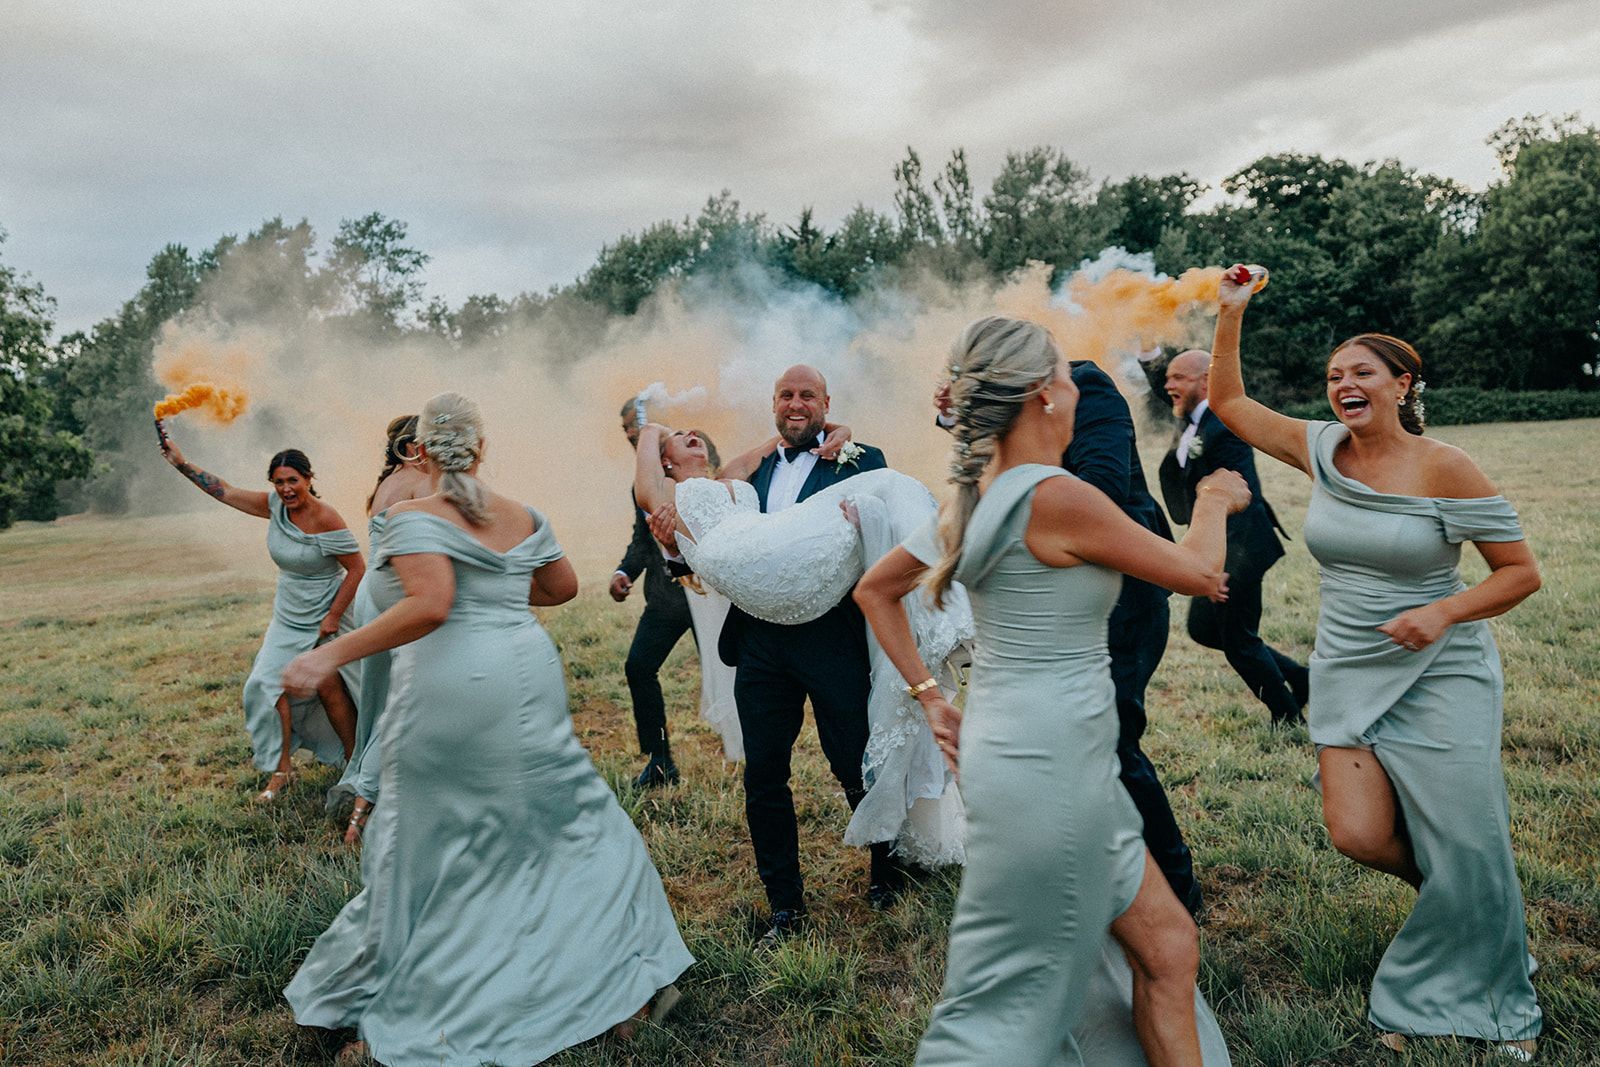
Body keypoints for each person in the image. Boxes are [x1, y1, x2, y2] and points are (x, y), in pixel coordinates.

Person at [859, 317, 1239, 1065]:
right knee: (1003, 1009)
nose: (1078, 386)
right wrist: (1219, 498)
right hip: (1051, 771)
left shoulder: (976, 500)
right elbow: (1202, 575)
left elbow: (876, 591)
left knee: (1168, 947)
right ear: (1043, 395)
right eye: (1067, 375)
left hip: (1037, 755)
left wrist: (933, 695)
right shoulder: (1057, 497)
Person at [280, 392, 692, 1066]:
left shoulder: (407, 516)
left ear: (421, 451)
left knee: (438, 836)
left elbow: (431, 604)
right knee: (569, 817)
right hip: (525, 673)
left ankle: (423, 1001)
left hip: (451, 686)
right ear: (481, 447)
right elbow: (559, 587)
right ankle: (618, 980)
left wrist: (328, 653)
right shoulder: (522, 514)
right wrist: (498, 585)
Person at [1206, 270, 1542, 1058]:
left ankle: (1492, 993)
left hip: (1442, 664)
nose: (1343, 385)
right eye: (1333, 376)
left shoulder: (1446, 467)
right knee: (1357, 832)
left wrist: (1442, 610)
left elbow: (1520, 572)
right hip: (1349, 663)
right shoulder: (1320, 448)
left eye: (1361, 372)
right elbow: (1230, 404)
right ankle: (1474, 910)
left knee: (1467, 832)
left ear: (1403, 384)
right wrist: (1229, 315)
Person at [635, 366, 968, 940]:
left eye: (807, 395)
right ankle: (785, 904)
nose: (796, 403)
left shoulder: (862, 457)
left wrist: (862, 516)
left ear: (825, 404)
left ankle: (887, 872)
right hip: (760, 643)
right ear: (774, 404)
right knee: (764, 774)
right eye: (786, 395)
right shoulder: (748, 471)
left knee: (853, 759)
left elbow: (889, 541)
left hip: (832, 636)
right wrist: (673, 545)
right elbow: (727, 553)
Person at [938, 358, 1203, 916]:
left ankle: (1176, 892)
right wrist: (967, 429)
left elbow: (1101, 487)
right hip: (1053, 601)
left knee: (1112, 743)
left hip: (1123, 594)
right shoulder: (1006, 412)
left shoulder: (1087, 386)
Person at [160, 435, 360, 801]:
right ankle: (281, 771)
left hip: (323, 615)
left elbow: (356, 569)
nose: (286, 489)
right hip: (287, 616)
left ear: (309, 478)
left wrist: (332, 618)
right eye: (279, 482)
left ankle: (354, 763)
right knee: (264, 687)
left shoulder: (325, 516)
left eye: (293, 481)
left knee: (329, 686)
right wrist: (181, 464)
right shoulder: (273, 506)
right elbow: (225, 491)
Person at [1159, 348, 1309, 727]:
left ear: (1205, 381)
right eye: (1168, 377)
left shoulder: (1223, 426)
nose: (1168, 384)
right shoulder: (1192, 417)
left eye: (1178, 377)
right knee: (1203, 629)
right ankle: (1303, 678)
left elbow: (1244, 495)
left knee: (1239, 640)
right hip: (1221, 543)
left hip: (1241, 545)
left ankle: (1288, 715)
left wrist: (1223, 567)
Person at [325, 415, 430, 842]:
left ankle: (381, 791)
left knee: (385, 695)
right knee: (404, 698)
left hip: (372, 594)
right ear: (416, 446)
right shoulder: (420, 484)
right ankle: (369, 799)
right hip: (397, 596)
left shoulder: (388, 482)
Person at [612, 396, 699, 786]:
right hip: (665, 599)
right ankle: (660, 761)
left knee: (734, 674)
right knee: (638, 668)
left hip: (707, 597)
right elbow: (642, 539)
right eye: (627, 427)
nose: (630, 433)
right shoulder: (640, 480)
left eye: (635, 423)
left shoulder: (692, 453)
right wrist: (624, 571)